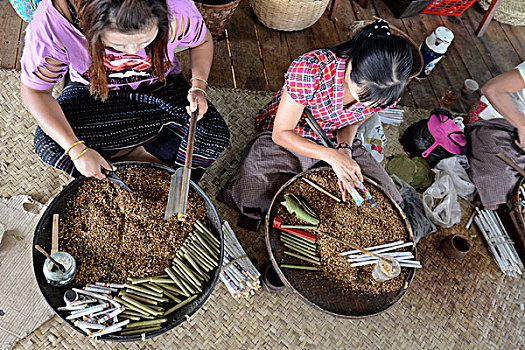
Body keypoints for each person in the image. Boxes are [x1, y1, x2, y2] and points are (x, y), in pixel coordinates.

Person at [218, 19, 414, 230]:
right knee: (252, 186)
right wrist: (330, 157)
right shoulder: (312, 70)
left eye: (372, 103)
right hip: (296, 133)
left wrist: (344, 150)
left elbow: (352, 120)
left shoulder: (386, 95)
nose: (362, 105)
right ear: (353, 67)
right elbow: (281, 133)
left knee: (386, 198)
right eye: (362, 95)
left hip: (336, 139)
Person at [20, 0, 229, 181]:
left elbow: (202, 41)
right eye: (118, 45)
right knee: (48, 143)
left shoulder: (177, 8)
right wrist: (77, 150)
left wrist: (198, 87)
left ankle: (128, 158)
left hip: (160, 88)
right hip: (94, 96)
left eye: (146, 41)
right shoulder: (52, 25)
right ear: (91, 25)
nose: (133, 52)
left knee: (212, 133)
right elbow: (35, 92)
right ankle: (141, 158)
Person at [466, 61, 525, 210]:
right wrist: (522, 126)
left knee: (515, 190)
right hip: (495, 118)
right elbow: (492, 89)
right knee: (501, 184)